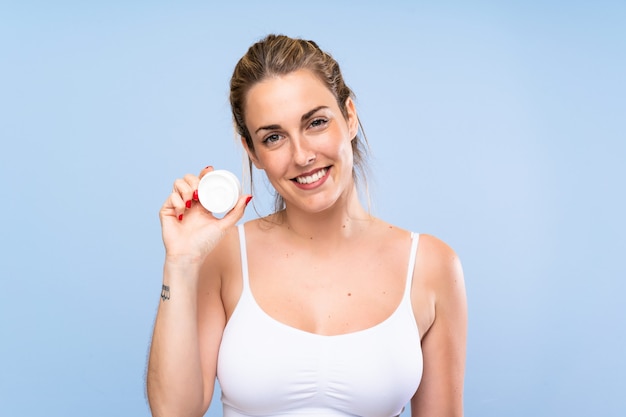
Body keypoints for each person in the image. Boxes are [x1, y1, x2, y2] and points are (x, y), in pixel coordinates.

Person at [146, 34, 467, 417]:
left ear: (349, 117)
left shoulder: (431, 265)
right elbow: (173, 412)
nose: (302, 155)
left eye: (316, 122)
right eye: (274, 137)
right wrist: (180, 264)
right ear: (253, 152)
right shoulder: (224, 256)